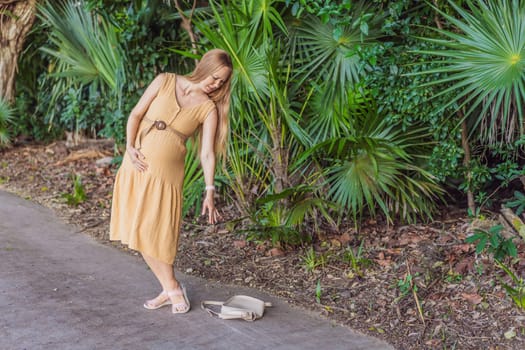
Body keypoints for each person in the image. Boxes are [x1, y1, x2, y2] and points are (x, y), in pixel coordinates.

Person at [109, 49, 233, 314]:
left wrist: (209, 190)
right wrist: (130, 147)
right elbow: (136, 114)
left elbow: (208, 153)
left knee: (156, 231)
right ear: (204, 67)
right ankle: (170, 288)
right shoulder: (165, 80)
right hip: (136, 164)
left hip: (166, 177)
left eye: (222, 82)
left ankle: (172, 287)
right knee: (138, 229)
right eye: (215, 77)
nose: (216, 85)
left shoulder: (208, 108)